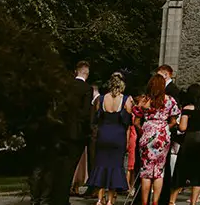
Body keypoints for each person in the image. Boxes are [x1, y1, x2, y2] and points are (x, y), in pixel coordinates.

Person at [50, 61, 95, 205]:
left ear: (76, 71)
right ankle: (62, 200)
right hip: (77, 133)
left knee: (59, 166)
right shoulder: (87, 89)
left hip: (62, 130)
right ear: (86, 74)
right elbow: (85, 113)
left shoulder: (66, 86)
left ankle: (54, 197)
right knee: (69, 168)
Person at [133, 74, 181, 205]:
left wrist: (143, 130)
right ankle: (155, 202)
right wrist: (164, 127)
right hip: (162, 134)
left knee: (146, 171)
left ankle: (144, 202)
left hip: (148, 132)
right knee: (159, 171)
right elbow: (174, 120)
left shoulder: (145, 100)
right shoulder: (169, 100)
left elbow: (136, 121)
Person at [88, 73, 133, 205]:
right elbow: (128, 121)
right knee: (115, 166)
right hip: (118, 135)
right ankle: (109, 200)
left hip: (104, 134)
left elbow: (97, 118)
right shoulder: (126, 99)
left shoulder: (101, 99)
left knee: (101, 165)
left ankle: (99, 198)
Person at [170, 84, 200, 205]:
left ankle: (172, 200)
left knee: (182, 171)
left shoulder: (187, 109)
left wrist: (176, 125)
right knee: (198, 174)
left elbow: (183, 127)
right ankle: (193, 202)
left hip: (190, 142)